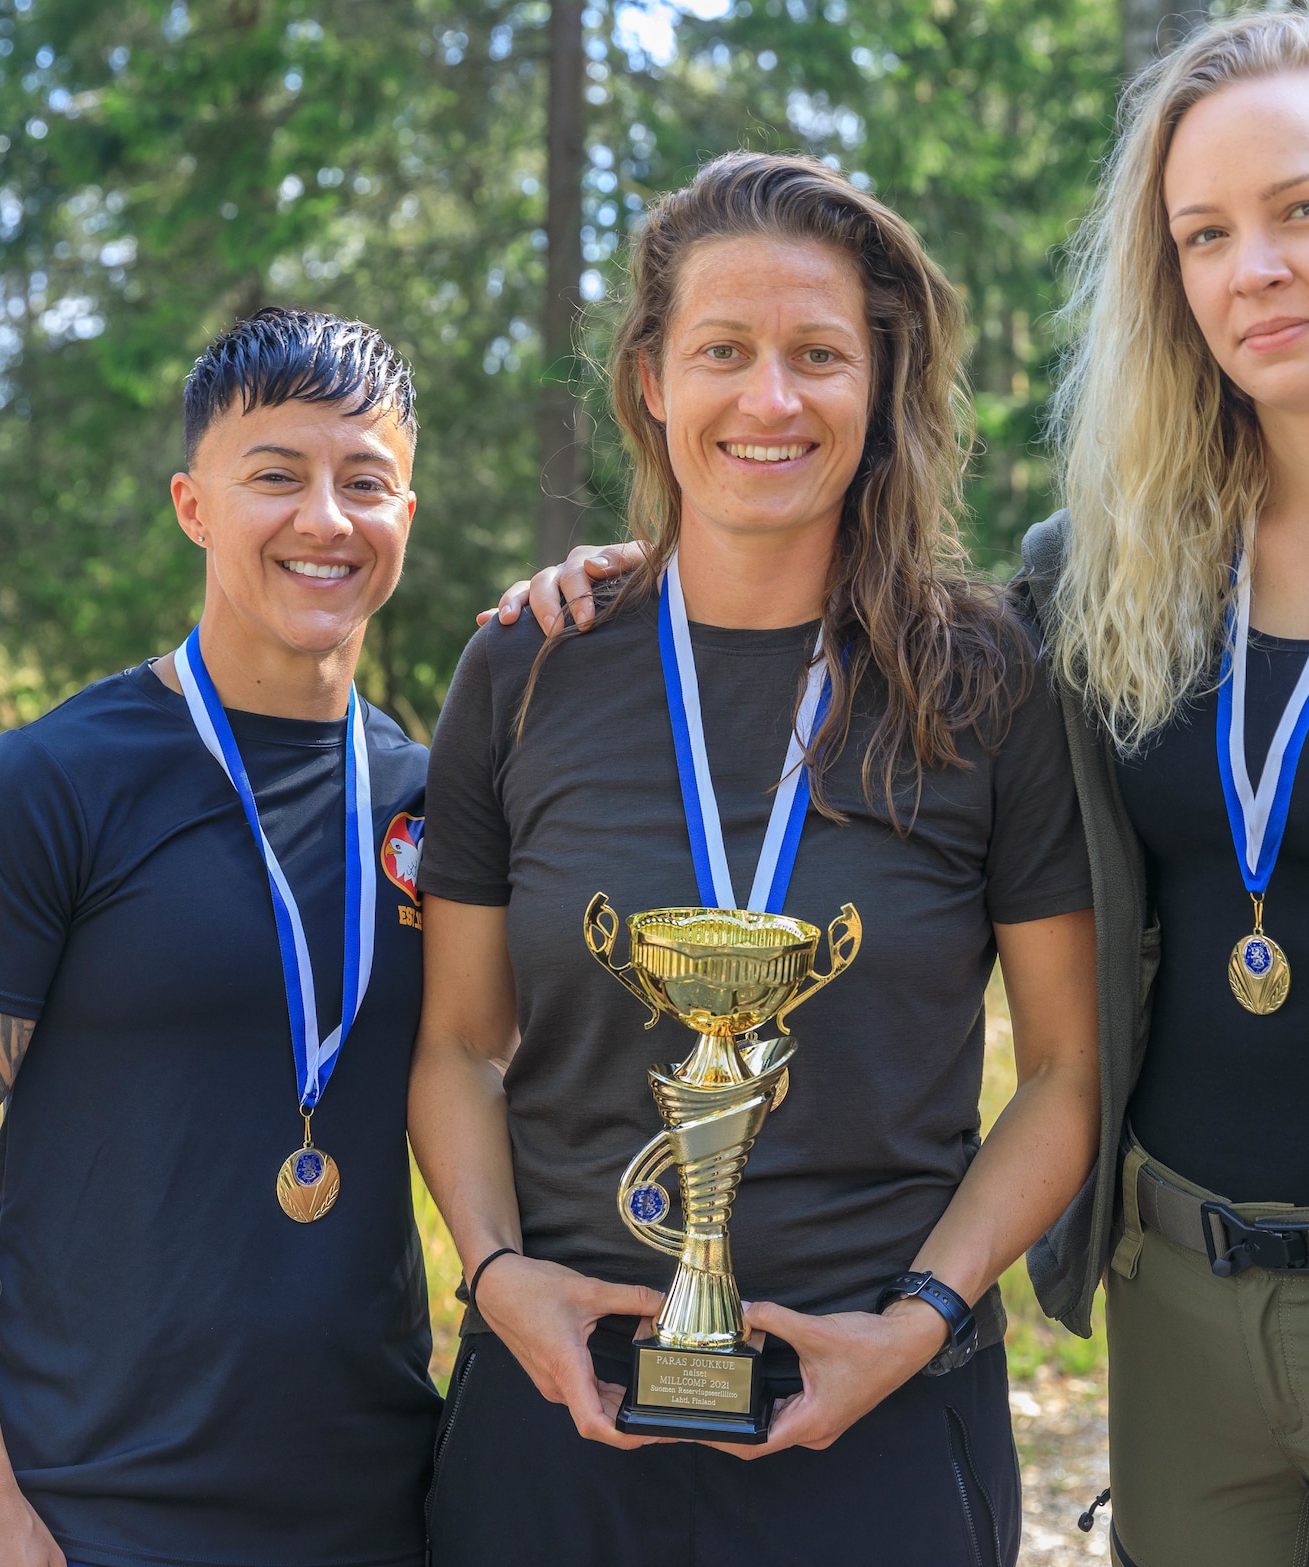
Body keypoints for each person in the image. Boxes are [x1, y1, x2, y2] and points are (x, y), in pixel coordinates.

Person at [497, 15, 1309, 1567]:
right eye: (1205, 234)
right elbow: (833, 613)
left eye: (1306, 207)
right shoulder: (1110, 575)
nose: (1256, 270)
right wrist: (631, 584)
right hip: (1181, 1324)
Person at [410, 151, 1099, 1567]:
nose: (770, 399)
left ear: (880, 387)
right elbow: (460, 1047)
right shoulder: (528, 666)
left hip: (883, 1415)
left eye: (819, 355)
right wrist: (495, 1278)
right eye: (723, 349)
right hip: (564, 1405)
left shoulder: (985, 680)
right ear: (653, 380)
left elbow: (1066, 1072)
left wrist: (919, 1316)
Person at [0, 308, 442, 1567]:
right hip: (94, 1506)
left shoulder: (424, 794)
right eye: (275, 476)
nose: (324, 520)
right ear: (193, 503)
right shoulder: (47, 783)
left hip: (376, 1500)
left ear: (408, 510)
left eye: (366, 481)